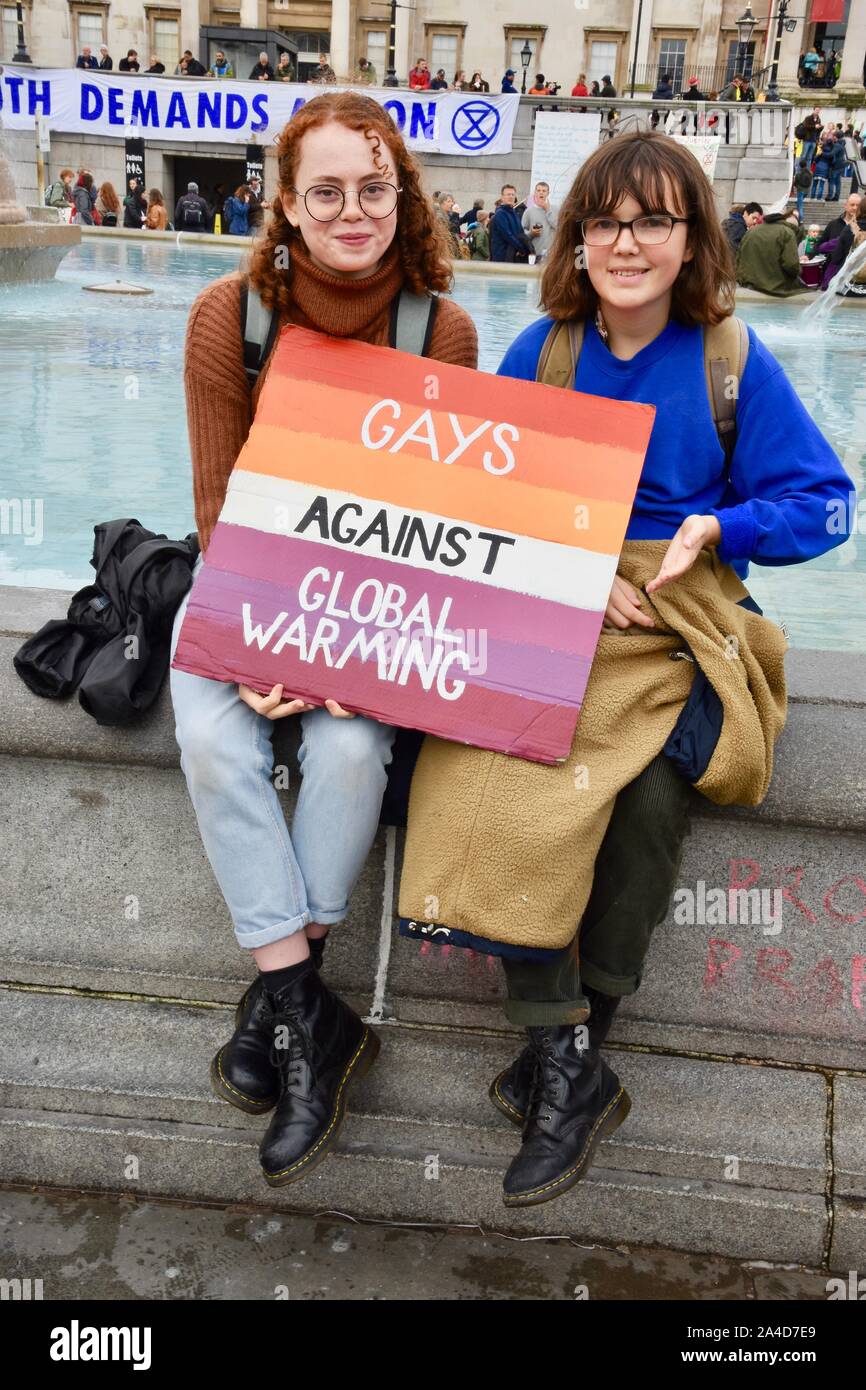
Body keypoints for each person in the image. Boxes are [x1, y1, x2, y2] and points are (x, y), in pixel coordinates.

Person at [399, 129, 852, 1209]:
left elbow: (826, 504)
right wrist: (572, 555)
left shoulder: (730, 359)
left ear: (689, 235)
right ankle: (563, 1059)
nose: (625, 241)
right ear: (577, 237)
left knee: (649, 797)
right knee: (481, 762)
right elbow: (484, 503)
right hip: (559, 607)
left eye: (652, 219)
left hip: (678, 621)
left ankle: (575, 1038)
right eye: (604, 220)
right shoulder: (538, 352)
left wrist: (721, 528)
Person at [171, 90, 476, 1191]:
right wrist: (266, 649)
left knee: (351, 751)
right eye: (327, 192)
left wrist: (351, 656)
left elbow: (436, 522)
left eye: (374, 188)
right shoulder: (227, 314)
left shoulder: (439, 327)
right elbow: (218, 509)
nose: (354, 211)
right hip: (245, 587)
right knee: (212, 746)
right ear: (287, 205)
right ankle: (309, 1016)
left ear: (403, 195)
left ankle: (282, 1009)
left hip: (377, 605)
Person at [736, 208, 809, 295]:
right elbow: (791, 265)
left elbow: (738, 258)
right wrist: (799, 270)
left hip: (749, 284)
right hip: (774, 287)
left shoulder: (751, 231)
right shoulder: (788, 232)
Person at [490, 183, 533, 263]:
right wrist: (521, 249)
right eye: (508, 194)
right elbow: (508, 235)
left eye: (513, 194)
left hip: (512, 255)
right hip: (502, 257)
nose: (511, 197)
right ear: (502, 197)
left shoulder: (514, 213)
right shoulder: (500, 213)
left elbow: (520, 233)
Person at [521, 180, 558, 260]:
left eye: (544, 191)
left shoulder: (556, 209)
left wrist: (548, 210)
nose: (541, 193)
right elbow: (522, 232)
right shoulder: (529, 211)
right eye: (538, 190)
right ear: (535, 193)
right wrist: (531, 233)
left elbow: (558, 227)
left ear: (548, 193)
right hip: (535, 254)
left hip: (552, 255)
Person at [827, 135, 847, 202]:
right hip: (841, 165)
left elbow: (832, 154)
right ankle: (837, 196)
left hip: (836, 165)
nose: (832, 137)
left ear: (836, 137)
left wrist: (822, 154)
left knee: (831, 181)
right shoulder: (842, 144)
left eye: (834, 136)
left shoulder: (837, 145)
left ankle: (830, 196)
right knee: (838, 182)